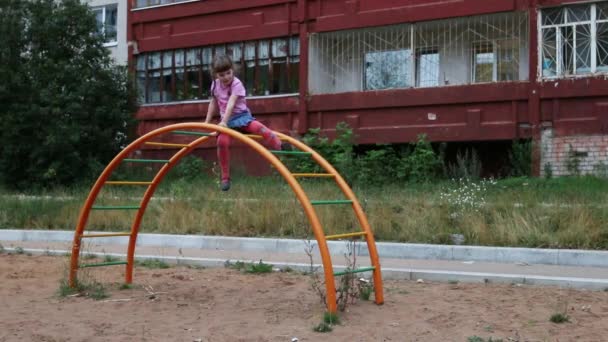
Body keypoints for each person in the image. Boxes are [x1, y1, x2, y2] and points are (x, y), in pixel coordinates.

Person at [204, 54, 289, 191]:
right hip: (227, 122)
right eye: (222, 75)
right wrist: (207, 121)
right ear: (215, 75)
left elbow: (231, 103)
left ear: (233, 70)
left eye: (228, 73)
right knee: (222, 142)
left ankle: (280, 145)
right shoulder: (215, 85)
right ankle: (225, 177)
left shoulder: (236, 84)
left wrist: (223, 122)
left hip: (241, 117)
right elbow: (213, 102)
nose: (226, 77)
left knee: (260, 128)